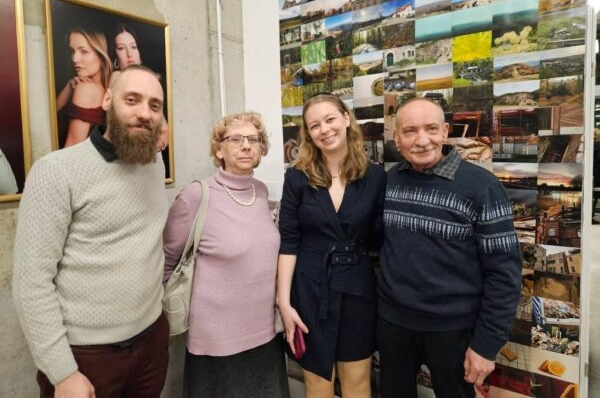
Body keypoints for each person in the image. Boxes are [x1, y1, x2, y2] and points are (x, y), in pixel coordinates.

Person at [13, 65, 170, 398]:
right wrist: (63, 373)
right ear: (107, 100)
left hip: (151, 342)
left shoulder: (154, 164)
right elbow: (31, 283)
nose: (144, 113)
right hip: (87, 356)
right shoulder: (56, 172)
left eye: (154, 105)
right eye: (132, 100)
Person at [377, 97, 522, 398]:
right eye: (410, 131)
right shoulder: (388, 182)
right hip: (394, 325)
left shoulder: (481, 186)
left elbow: (504, 274)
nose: (422, 140)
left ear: (445, 132)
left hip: (454, 330)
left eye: (431, 129)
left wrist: (486, 345)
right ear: (397, 138)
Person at [163, 112, 290, 398]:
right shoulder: (197, 196)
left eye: (253, 140)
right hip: (217, 341)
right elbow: (167, 262)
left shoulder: (261, 193)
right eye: (236, 139)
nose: (246, 146)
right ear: (219, 150)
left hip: (266, 333)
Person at [278, 93, 386, 397]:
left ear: (346, 119)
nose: (324, 130)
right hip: (310, 289)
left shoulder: (375, 176)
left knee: (357, 381)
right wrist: (284, 303)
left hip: (357, 289)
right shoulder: (297, 177)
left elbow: (379, 237)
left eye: (330, 120)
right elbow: (288, 242)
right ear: (308, 133)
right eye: (315, 125)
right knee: (317, 382)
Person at [56, 28, 112, 147]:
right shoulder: (101, 90)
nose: (75, 59)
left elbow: (73, 148)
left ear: (101, 56)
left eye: (84, 52)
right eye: (72, 51)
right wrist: (69, 87)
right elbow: (49, 119)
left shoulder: (86, 89)